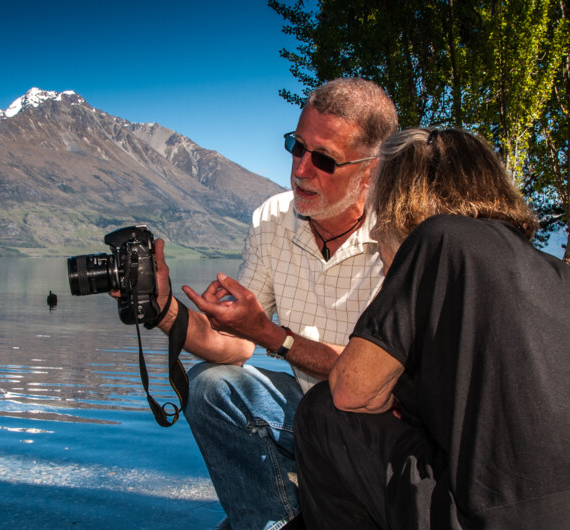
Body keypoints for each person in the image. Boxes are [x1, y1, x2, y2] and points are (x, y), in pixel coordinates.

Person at [292, 128, 570, 529]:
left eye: (380, 212)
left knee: (322, 413)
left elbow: (350, 388)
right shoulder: (569, 281)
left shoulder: (439, 239)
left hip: (515, 519)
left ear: (402, 204)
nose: (373, 231)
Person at [147, 77, 399, 529]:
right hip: (305, 413)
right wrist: (162, 308)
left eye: (324, 159)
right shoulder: (273, 219)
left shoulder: (399, 234)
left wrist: (269, 333)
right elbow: (235, 347)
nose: (300, 170)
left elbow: (367, 381)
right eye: (296, 147)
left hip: (380, 428)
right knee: (212, 386)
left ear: (370, 170)